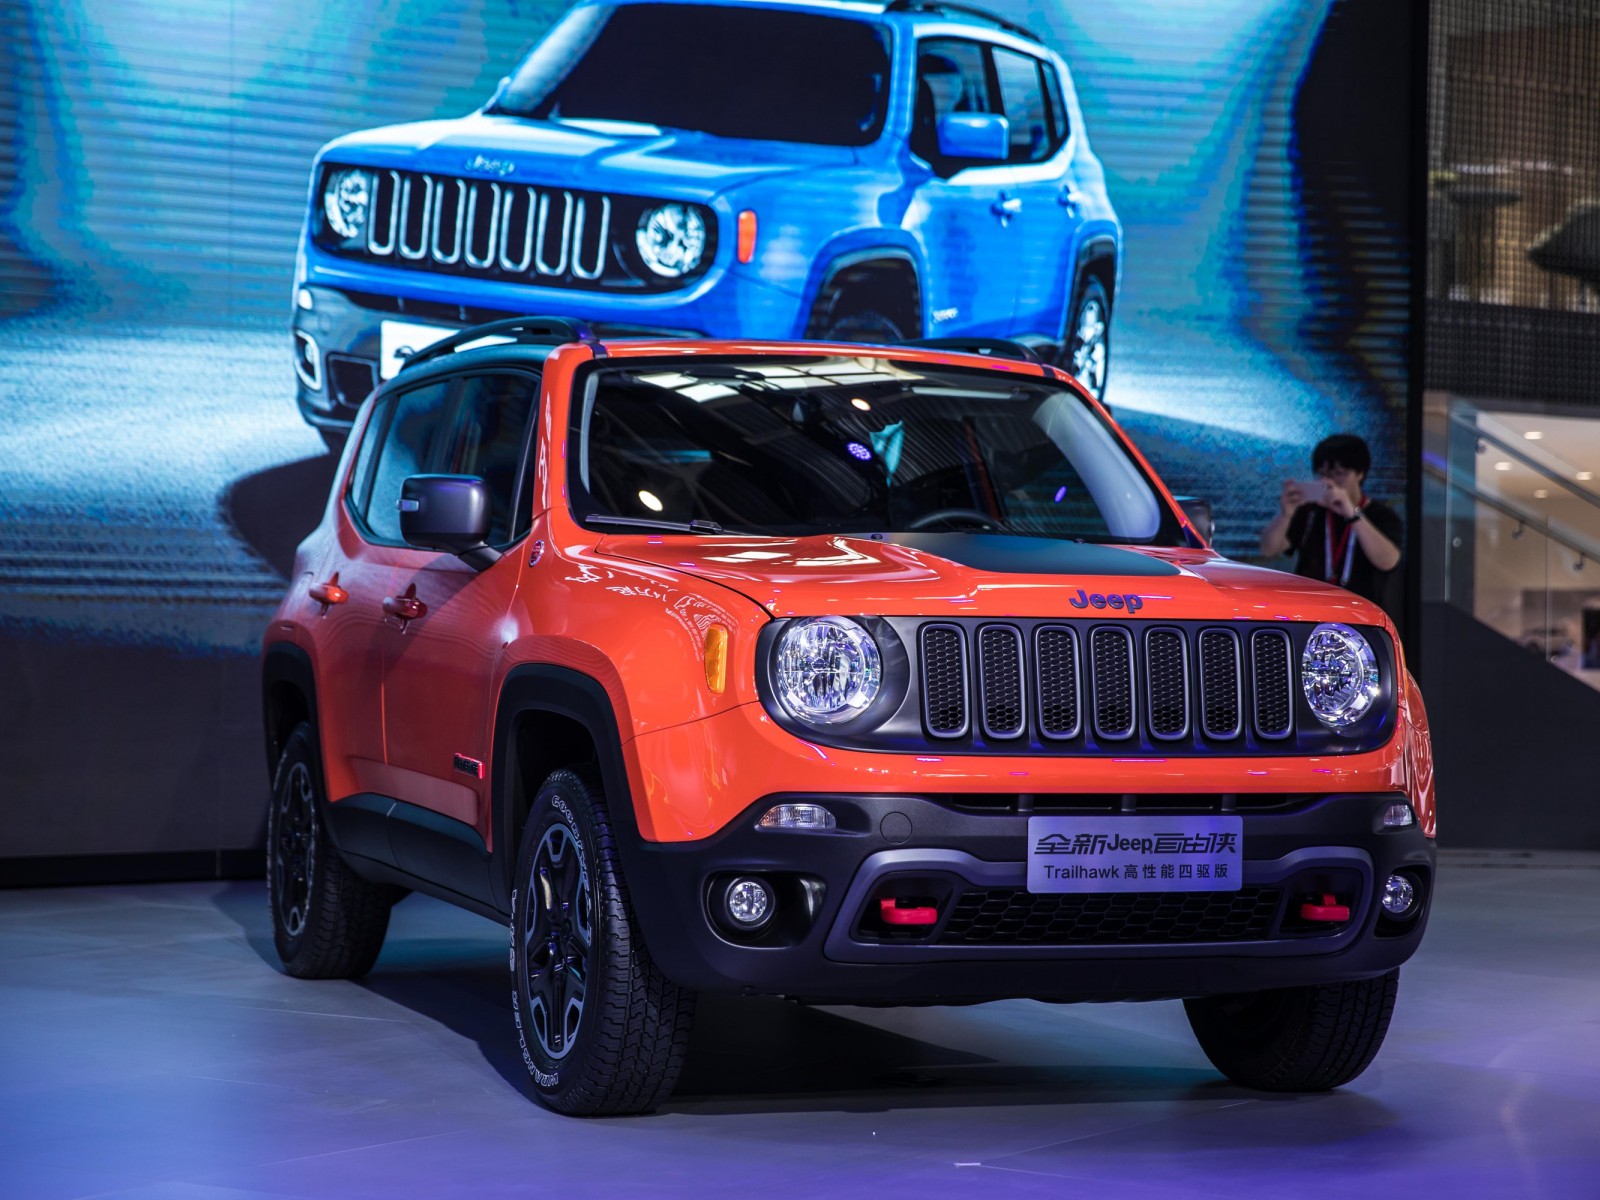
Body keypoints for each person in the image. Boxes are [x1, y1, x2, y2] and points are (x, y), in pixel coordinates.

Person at [1259, 434, 1402, 615]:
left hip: (1362, 614)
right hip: (1311, 611)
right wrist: (1285, 514)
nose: (1330, 482)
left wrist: (1352, 513)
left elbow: (1388, 562)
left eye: (1339, 474)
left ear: (1360, 474)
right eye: (1323, 474)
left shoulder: (1381, 515)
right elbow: (1268, 549)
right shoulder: (1310, 511)